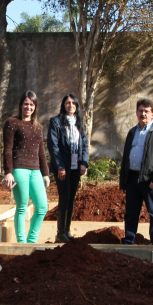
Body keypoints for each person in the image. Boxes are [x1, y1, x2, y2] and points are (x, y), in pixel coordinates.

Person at [119, 98, 153, 246]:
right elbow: (126, 157)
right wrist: (124, 180)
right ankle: (129, 241)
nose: (143, 114)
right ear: (136, 113)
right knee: (131, 213)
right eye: (141, 111)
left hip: (150, 180)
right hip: (132, 178)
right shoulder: (132, 132)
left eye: (147, 111)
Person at [3, 91, 50, 244]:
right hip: (19, 169)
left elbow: (41, 152)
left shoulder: (38, 126)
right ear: (21, 105)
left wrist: (46, 174)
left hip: (35, 171)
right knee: (22, 205)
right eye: (26, 104)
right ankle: (21, 243)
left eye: (31, 104)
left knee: (42, 207)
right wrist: (8, 172)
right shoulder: (12, 123)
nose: (28, 107)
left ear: (35, 107)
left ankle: (31, 242)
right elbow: (8, 149)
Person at [47, 93, 89, 242]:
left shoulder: (79, 123)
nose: (70, 105)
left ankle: (67, 231)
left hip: (75, 167)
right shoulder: (56, 122)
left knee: (71, 198)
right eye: (68, 103)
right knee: (64, 197)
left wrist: (83, 163)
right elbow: (53, 146)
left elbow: (84, 144)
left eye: (73, 103)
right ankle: (60, 233)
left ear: (76, 106)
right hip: (63, 167)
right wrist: (60, 166)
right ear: (63, 105)